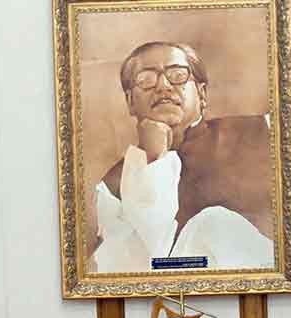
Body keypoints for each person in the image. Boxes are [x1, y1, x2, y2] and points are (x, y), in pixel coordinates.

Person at [92, 41, 275, 272]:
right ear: (130, 101)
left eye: (178, 75)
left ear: (201, 93)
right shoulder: (112, 188)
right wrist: (152, 158)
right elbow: (136, 267)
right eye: (146, 79)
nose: (163, 86)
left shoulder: (266, 131)